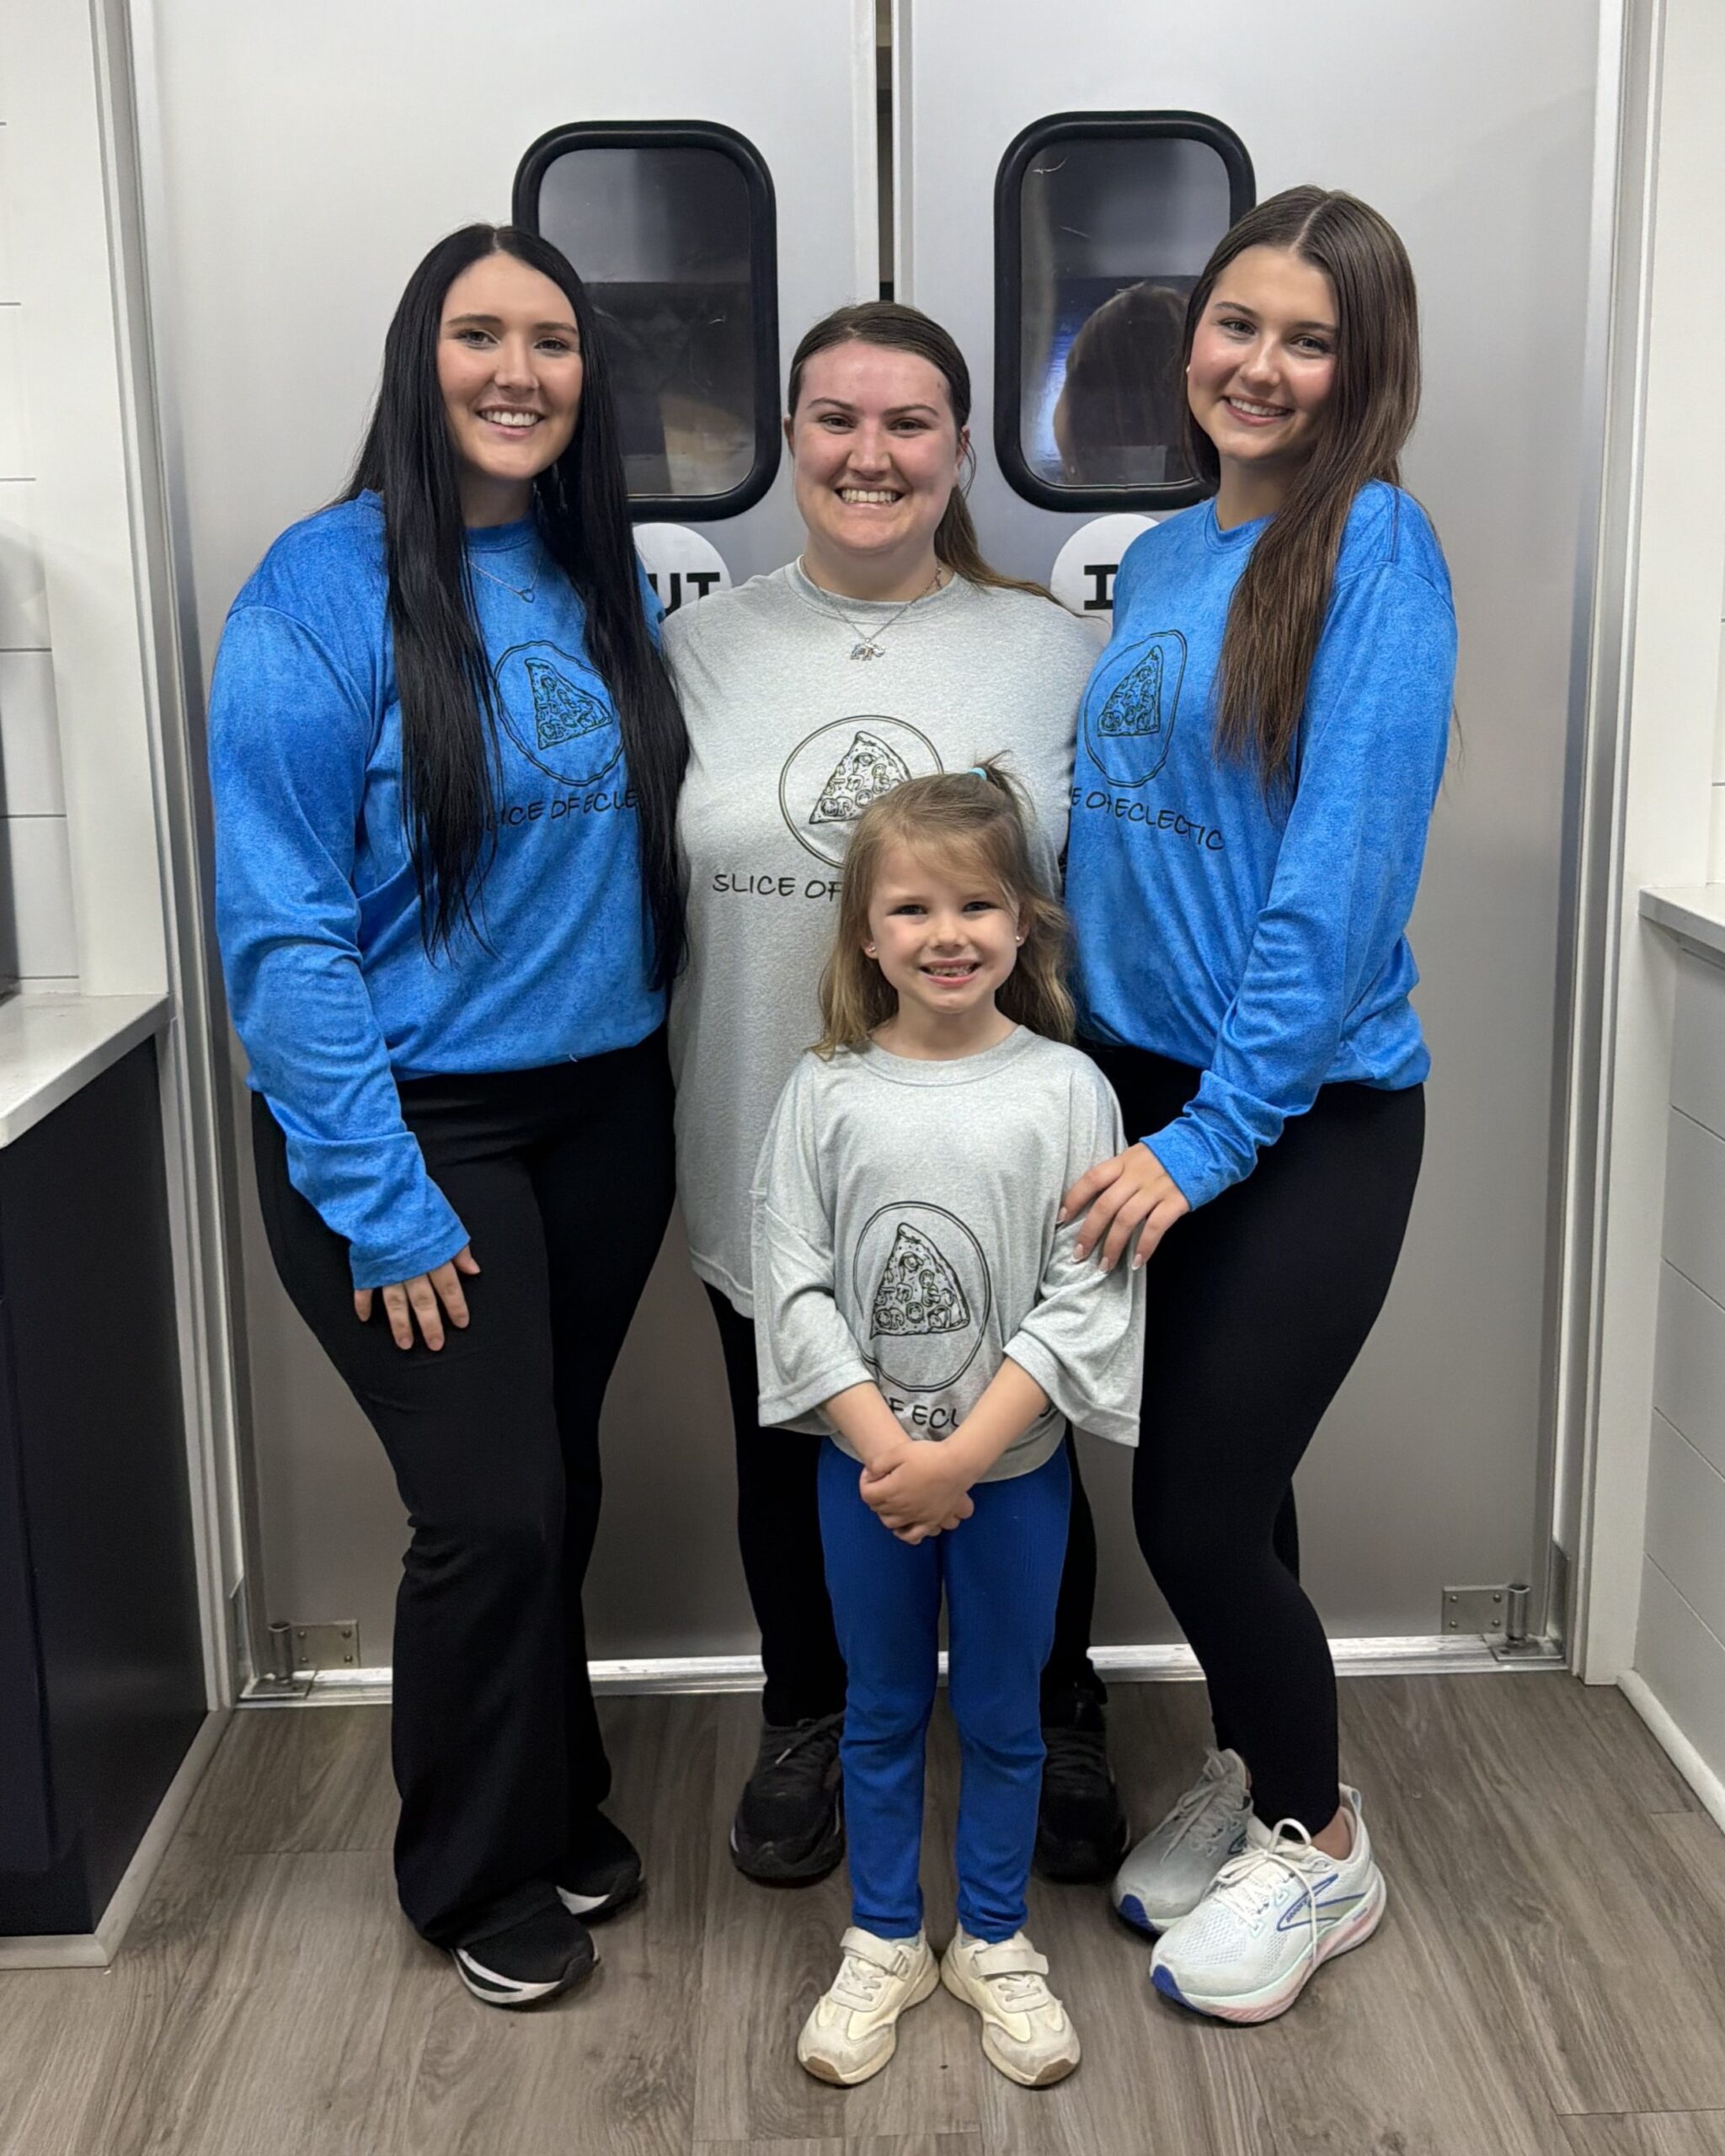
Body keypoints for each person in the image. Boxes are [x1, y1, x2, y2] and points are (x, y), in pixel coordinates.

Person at [206, 224, 688, 2009]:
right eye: (478, 334)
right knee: (487, 1511)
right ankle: (470, 1867)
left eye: (551, 341)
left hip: (603, 1110)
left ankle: (550, 1796)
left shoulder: (596, 574)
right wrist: (383, 1196)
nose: (517, 371)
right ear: (422, 359)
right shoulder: (318, 589)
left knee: (554, 1478)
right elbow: (281, 925)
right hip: (411, 1127)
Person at [664, 302, 1126, 1889]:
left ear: (961, 448)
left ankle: (1054, 1708)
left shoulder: (1054, 652)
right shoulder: (696, 651)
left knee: (1027, 1430)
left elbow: (1105, 897)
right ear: (790, 439)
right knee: (792, 1438)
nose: (872, 454)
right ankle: (810, 1710)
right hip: (770, 1126)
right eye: (837, 419)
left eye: (910, 422)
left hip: (1006, 1144)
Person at [1060, 186, 1457, 2023]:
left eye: (1311, 339)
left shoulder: (1375, 544)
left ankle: (1323, 1845)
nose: (1263, 366)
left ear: (1362, 370)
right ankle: (1252, 1776)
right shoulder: (1160, 560)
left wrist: (1215, 1132)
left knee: (1198, 1504)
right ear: (1191, 334)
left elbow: (1337, 878)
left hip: (1303, 1114)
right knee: (1237, 1475)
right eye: (1240, 323)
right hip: (1148, 1093)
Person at [751, 766, 1145, 2088]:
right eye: (912, 908)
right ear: (866, 934)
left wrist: (965, 1458)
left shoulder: (1069, 1092)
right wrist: (891, 1453)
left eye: (978, 904)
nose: (947, 934)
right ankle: (883, 1941)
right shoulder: (824, 1093)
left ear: (1025, 921)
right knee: (876, 1708)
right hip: (864, 1479)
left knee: (1002, 1712)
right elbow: (792, 1286)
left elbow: (1087, 1295)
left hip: (1013, 1476)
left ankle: (990, 1939)